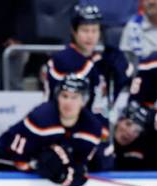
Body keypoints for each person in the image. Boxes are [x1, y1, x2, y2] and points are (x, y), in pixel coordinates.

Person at [0, 74, 102, 186]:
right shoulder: (42, 118)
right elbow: (19, 159)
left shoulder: (92, 127)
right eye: (64, 96)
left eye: (74, 97)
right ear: (57, 97)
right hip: (1, 162)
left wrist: (67, 175)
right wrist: (39, 164)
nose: (68, 102)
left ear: (84, 101)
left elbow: (81, 165)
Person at [45, 4, 132, 133]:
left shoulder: (102, 60)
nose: (90, 36)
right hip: (68, 130)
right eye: (85, 30)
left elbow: (110, 96)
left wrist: (120, 73)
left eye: (94, 30)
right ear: (74, 32)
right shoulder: (63, 60)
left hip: (97, 127)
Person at [113, 100, 157, 169]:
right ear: (118, 121)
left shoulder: (141, 153)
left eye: (137, 131)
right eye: (128, 124)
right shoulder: (99, 137)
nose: (129, 132)